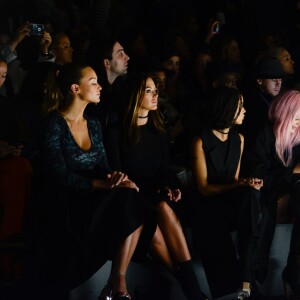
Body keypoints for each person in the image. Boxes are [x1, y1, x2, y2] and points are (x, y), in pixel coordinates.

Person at [39, 62, 157, 300]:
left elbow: (103, 166)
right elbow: (59, 176)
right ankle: (116, 285)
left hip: (95, 195)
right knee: (128, 201)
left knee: (132, 195)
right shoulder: (54, 123)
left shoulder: (93, 123)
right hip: (69, 202)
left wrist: (115, 177)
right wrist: (104, 184)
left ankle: (118, 281)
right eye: (93, 82)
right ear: (75, 88)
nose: (99, 86)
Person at [105, 74, 208, 300]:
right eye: (149, 90)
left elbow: (164, 171)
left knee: (163, 205)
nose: (155, 94)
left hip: (157, 195)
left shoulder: (159, 130)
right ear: (135, 95)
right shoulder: (116, 132)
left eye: (155, 90)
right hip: (133, 200)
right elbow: (119, 174)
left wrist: (172, 187)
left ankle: (194, 293)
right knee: (154, 231)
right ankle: (194, 292)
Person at [188, 86, 263, 299]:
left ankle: (246, 279)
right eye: (240, 107)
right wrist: (239, 185)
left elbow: (233, 179)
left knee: (251, 195)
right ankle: (242, 283)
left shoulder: (238, 139)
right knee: (241, 198)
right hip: (207, 202)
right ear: (227, 109)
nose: (245, 111)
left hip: (229, 200)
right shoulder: (200, 141)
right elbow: (204, 188)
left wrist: (247, 184)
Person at [246, 90, 300, 297]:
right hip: (270, 190)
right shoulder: (266, 134)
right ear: (285, 114)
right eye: (296, 118)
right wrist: (291, 172)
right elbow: (260, 175)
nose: (299, 123)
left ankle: (293, 268)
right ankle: (277, 270)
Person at [0, 57, 32, 283]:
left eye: (3, 75)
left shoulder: (4, 105)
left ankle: (11, 242)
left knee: (22, 168)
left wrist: (14, 148)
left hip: (6, 162)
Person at [240, 56, 286, 150]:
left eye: (280, 79)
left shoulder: (283, 100)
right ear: (260, 80)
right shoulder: (249, 103)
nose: (278, 83)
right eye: (273, 79)